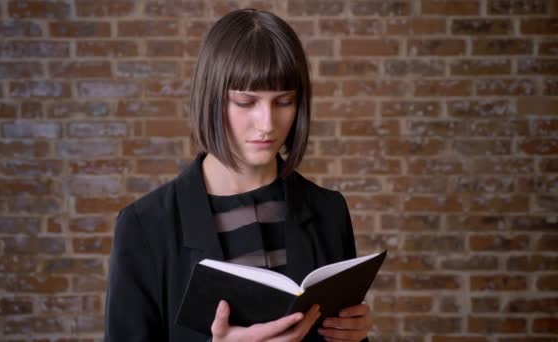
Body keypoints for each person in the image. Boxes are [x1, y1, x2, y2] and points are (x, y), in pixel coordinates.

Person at [104, 9, 372, 342]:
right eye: (246, 102)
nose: (267, 124)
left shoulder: (329, 211)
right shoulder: (144, 227)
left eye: (284, 101)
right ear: (211, 99)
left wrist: (354, 337)